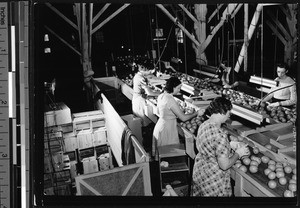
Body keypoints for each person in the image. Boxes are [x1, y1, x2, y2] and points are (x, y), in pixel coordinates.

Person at [192, 97, 250, 197]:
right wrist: (238, 153)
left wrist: (229, 144)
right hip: (213, 179)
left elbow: (210, 144)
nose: (229, 115)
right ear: (222, 112)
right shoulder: (220, 135)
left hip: (200, 173)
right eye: (228, 112)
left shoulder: (204, 124)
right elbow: (224, 165)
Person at [152, 77, 204, 157]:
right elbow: (183, 118)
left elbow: (159, 112)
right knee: (169, 157)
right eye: (178, 88)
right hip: (168, 130)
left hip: (160, 126)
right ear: (173, 87)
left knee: (163, 158)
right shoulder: (169, 99)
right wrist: (196, 113)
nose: (179, 90)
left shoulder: (161, 95)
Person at [132, 60, 160, 131]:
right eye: (149, 71)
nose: (150, 73)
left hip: (137, 99)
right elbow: (149, 93)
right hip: (139, 102)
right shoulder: (141, 78)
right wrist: (161, 94)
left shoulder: (138, 75)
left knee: (142, 124)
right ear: (145, 69)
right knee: (144, 125)